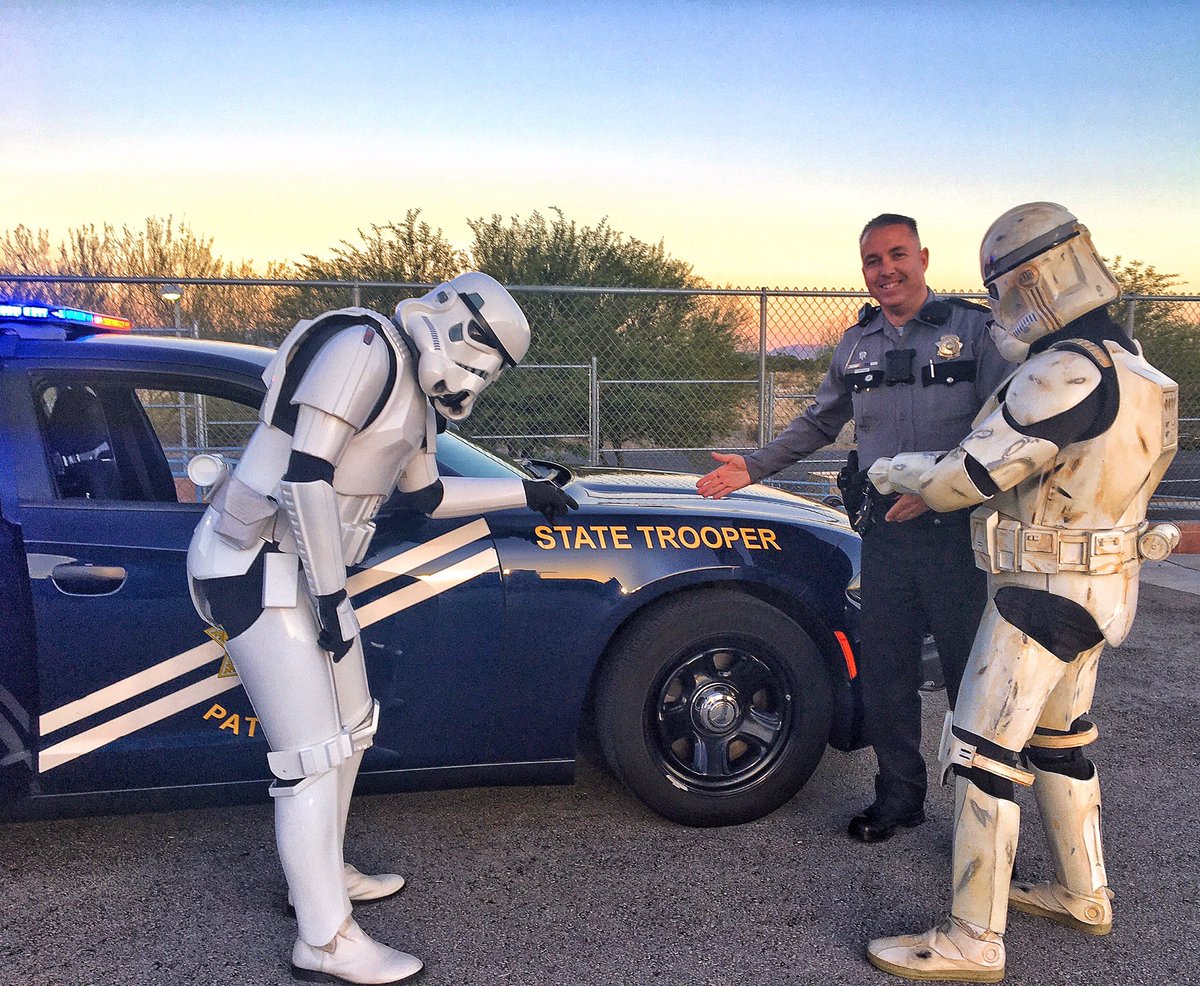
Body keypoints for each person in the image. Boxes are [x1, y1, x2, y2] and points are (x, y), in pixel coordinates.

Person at [186, 272, 577, 985]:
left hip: (305, 574)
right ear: (456, 322)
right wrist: (334, 602)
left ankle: (321, 874)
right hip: (254, 564)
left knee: (354, 726)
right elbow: (305, 477)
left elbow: (425, 494)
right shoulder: (364, 345)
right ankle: (325, 941)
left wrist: (528, 490)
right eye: (483, 351)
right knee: (311, 755)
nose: (479, 373)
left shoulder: (411, 387)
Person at [864, 202, 1179, 982]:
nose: (999, 303)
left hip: (1038, 588)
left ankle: (973, 938)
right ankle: (1086, 891)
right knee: (1063, 741)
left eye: (1002, 286)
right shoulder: (1144, 375)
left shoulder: (1062, 370)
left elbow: (964, 477)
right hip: (1105, 587)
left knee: (978, 752)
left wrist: (887, 470)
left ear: (1034, 279)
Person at [697, 214, 1010, 843]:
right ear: (863, 270)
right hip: (885, 533)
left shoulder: (974, 330)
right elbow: (818, 421)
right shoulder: (856, 344)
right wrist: (754, 466)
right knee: (886, 675)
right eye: (872, 260)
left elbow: (1004, 424)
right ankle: (899, 798)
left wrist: (941, 489)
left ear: (923, 257)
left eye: (897, 255)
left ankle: (984, 818)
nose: (886, 270)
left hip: (957, 532)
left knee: (972, 678)